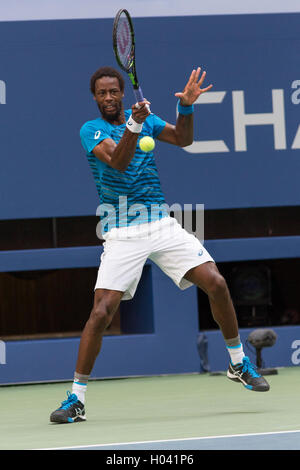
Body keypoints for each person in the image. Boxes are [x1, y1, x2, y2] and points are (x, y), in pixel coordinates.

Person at [50, 66, 269, 423]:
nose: (108, 98)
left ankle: (237, 362)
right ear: (94, 98)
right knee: (102, 312)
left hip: (160, 223)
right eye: (101, 93)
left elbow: (183, 139)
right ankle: (76, 399)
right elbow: (118, 163)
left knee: (216, 282)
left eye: (113, 92)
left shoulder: (146, 119)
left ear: (123, 93)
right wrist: (135, 125)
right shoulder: (91, 130)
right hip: (121, 231)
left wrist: (186, 108)